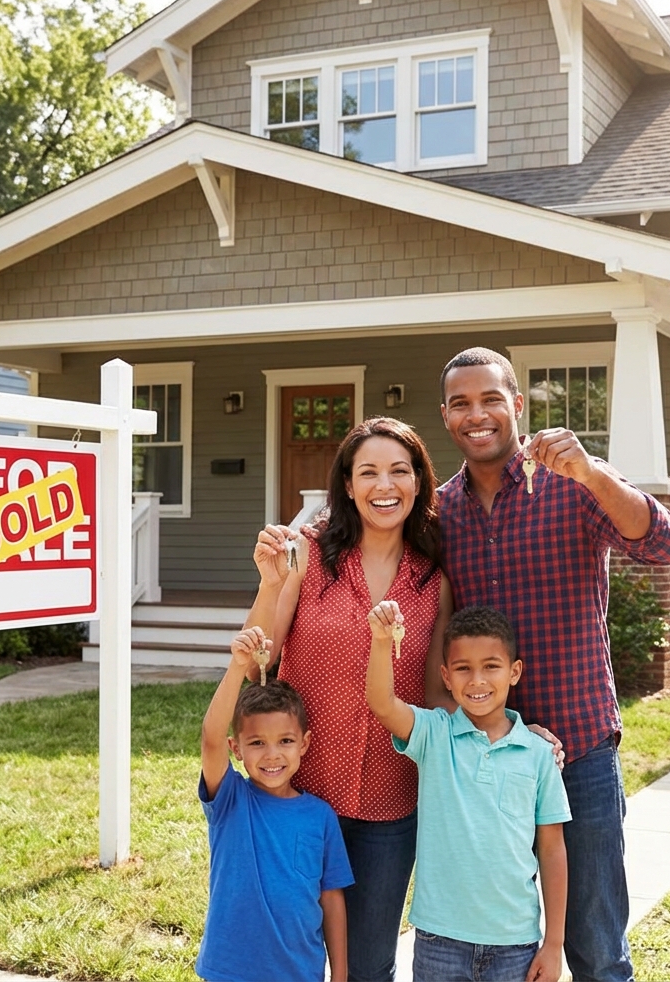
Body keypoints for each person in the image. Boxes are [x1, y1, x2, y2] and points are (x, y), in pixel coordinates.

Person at [436, 347, 670, 982]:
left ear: (516, 405)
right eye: (461, 403)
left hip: (580, 749)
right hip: (487, 759)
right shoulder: (441, 512)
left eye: (491, 398)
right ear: (446, 418)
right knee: (500, 938)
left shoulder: (572, 484)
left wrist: (597, 474)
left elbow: (663, 545)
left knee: (596, 946)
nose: (478, 414)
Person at [243, 417, 454, 982]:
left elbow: (438, 692)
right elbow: (259, 657)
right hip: (300, 793)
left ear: (418, 482)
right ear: (348, 483)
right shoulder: (307, 555)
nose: (384, 486)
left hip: (391, 799)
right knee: (286, 957)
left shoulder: (434, 575)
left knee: (366, 966)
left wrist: (509, 731)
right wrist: (268, 583)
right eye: (369, 472)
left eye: (399, 471)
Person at [366, 603, 570, 982]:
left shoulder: (539, 754)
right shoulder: (434, 735)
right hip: (439, 940)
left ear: (514, 672)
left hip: (515, 943)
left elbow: (553, 849)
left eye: (491, 666)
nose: (477, 680)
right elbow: (382, 703)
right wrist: (381, 642)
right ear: (446, 676)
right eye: (463, 668)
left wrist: (554, 943)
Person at [197, 628, 354, 982]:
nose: (272, 755)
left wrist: (340, 975)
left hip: (300, 972)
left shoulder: (320, 817)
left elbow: (331, 900)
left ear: (304, 743)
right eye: (256, 743)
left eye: (285, 740)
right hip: (229, 971)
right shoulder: (230, 801)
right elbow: (210, 737)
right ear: (236, 749)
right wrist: (238, 667)